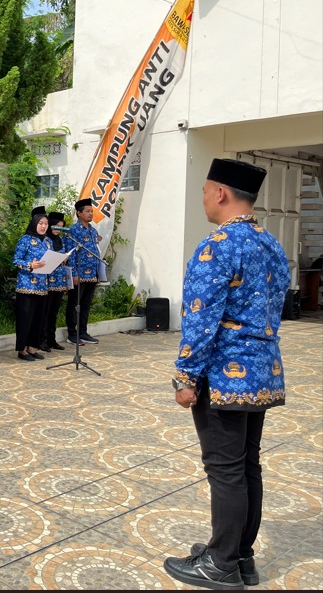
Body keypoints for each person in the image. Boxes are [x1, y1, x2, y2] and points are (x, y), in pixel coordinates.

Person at [163, 158, 289, 591]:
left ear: (220, 193)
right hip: (264, 372)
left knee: (226, 470)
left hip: (225, 376)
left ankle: (219, 563)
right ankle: (241, 557)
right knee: (246, 464)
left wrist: (185, 377)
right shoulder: (270, 243)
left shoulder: (217, 245)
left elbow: (201, 319)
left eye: (203, 190)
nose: (202, 198)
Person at [62, 198, 103, 345]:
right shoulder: (73, 230)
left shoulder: (93, 230)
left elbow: (95, 251)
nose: (90, 213)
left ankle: (83, 332)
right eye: (87, 211)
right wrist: (73, 274)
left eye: (91, 211)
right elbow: (70, 252)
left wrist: (99, 272)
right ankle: (72, 334)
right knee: (75, 304)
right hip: (79, 273)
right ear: (79, 213)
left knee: (85, 304)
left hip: (92, 274)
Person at [13, 210, 52, 361]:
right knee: (25, 319)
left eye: (46, 224)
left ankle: (32, 348)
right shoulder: (25, 239)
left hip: (42, 286)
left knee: (38, 319)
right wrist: (30, 265)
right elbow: (16, 260)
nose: (43, 227)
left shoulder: (48, 241)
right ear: (34, 224)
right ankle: (22, 350)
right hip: (26, 285)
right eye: (40, 223)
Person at [45, 211, 69, 350]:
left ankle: (51, 339)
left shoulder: (60, 240)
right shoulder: (45, 240)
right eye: (56, 226)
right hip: (48, 280)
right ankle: (42, 340)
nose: (57, 230)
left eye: (60, 227)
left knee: (54, 313)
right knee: (45, 312)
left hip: (59, 280)